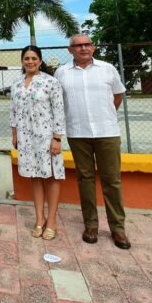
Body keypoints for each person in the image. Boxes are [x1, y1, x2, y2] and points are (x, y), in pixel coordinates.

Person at [54, 34, 131, 249]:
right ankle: (91, 225)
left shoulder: (107, 69)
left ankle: (118, 229)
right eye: (78, 46)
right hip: (78, 133)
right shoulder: (62, 73)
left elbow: (117, 96)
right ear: (70, 50)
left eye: (87, 44)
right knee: (85, 179)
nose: (83, 48)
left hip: (107, 132)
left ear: (93, 48)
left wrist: (105, 115)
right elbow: (59, 103)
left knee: (112, 180)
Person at [10, 45, 66, 240]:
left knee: (50, 176)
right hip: (26, 139)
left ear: (40, 61)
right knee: (34, 175)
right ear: (22, 61)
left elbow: (59, 111)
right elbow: (14, 112)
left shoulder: (51, 82)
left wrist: (57, 138)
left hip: (47, 137)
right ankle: (39, 219)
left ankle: (51, 221)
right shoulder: (16, 85)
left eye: (34, 58)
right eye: (26, 58)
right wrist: (15, 134)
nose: (30, 61)